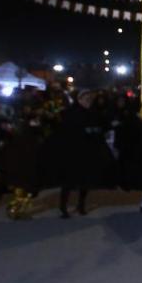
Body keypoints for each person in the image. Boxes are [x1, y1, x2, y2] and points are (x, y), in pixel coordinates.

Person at [56, 90, 105, 218]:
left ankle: (81, 205)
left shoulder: (92, 113)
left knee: (85, 180)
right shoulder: (72, 113)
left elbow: (99, 126)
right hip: (73, 151)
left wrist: (95, 131)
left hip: (87, 151)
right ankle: (63, 206)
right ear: (79, 99)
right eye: (86, 98)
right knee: (68, 180)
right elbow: (67, 131)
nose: (88, 101)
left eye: (90, 98)